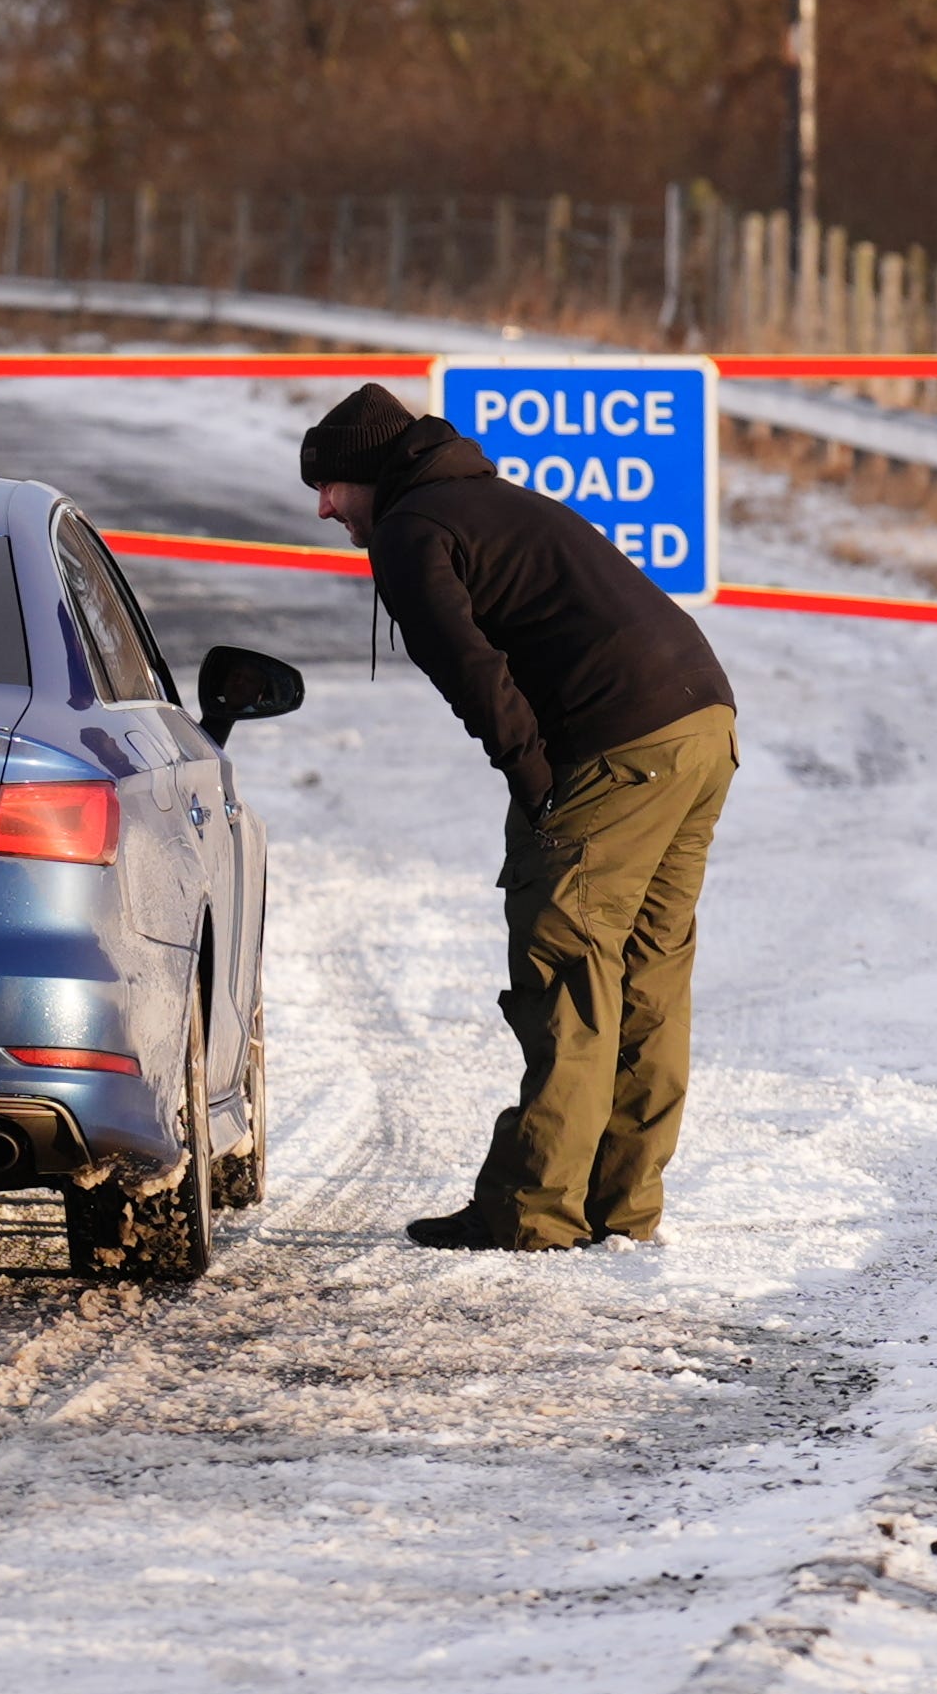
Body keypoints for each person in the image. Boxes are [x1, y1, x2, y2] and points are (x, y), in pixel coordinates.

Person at [298, 380, 738, 1255]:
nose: (322, 509)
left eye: (331, 488)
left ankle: (534, 1210)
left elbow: (473, 674)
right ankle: (623, 1205)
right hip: (702, 721)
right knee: (648, 968)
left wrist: (537, 785)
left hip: (617, 741)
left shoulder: (412, 532)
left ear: (368, 479)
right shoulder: (491, 501)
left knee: (570, 964)